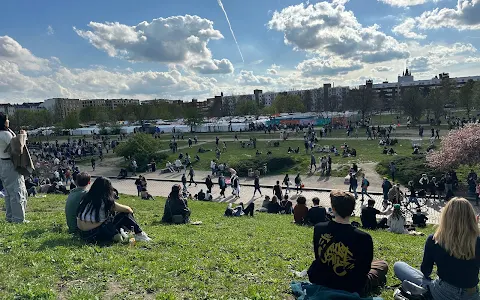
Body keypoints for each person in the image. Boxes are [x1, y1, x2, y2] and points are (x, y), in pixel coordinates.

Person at [394, 197, 480, 300]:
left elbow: (426, 271)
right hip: (471, 295)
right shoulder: (478, 241)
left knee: (398, 266)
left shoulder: (435, 239)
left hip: (441, 292)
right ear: (471, 217)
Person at [307, 190, 388, 296]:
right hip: (351, 286)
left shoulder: (319, 228)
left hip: (323, 279)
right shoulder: (364, 237)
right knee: (382, 264)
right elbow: (364, 270)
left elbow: (318, 256)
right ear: (352, 210)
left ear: (334, 209)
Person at [76, 177, 151, 243]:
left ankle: (123, 233)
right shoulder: (104, 201)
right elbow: (128, 210)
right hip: (94, 234)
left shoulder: (86, 198)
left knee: (111, 216)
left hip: (82, 234)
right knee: (124, 214)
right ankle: (139, 234)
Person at [0, 113, 28, 223]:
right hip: (10, 164)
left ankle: (10, 216)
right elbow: (18, 149)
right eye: (7, 119)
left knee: (9, 192)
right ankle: (18, 219)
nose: (8, 121)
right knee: (17, 191)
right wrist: (23, 136)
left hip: (2, 163)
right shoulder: (5, 134)